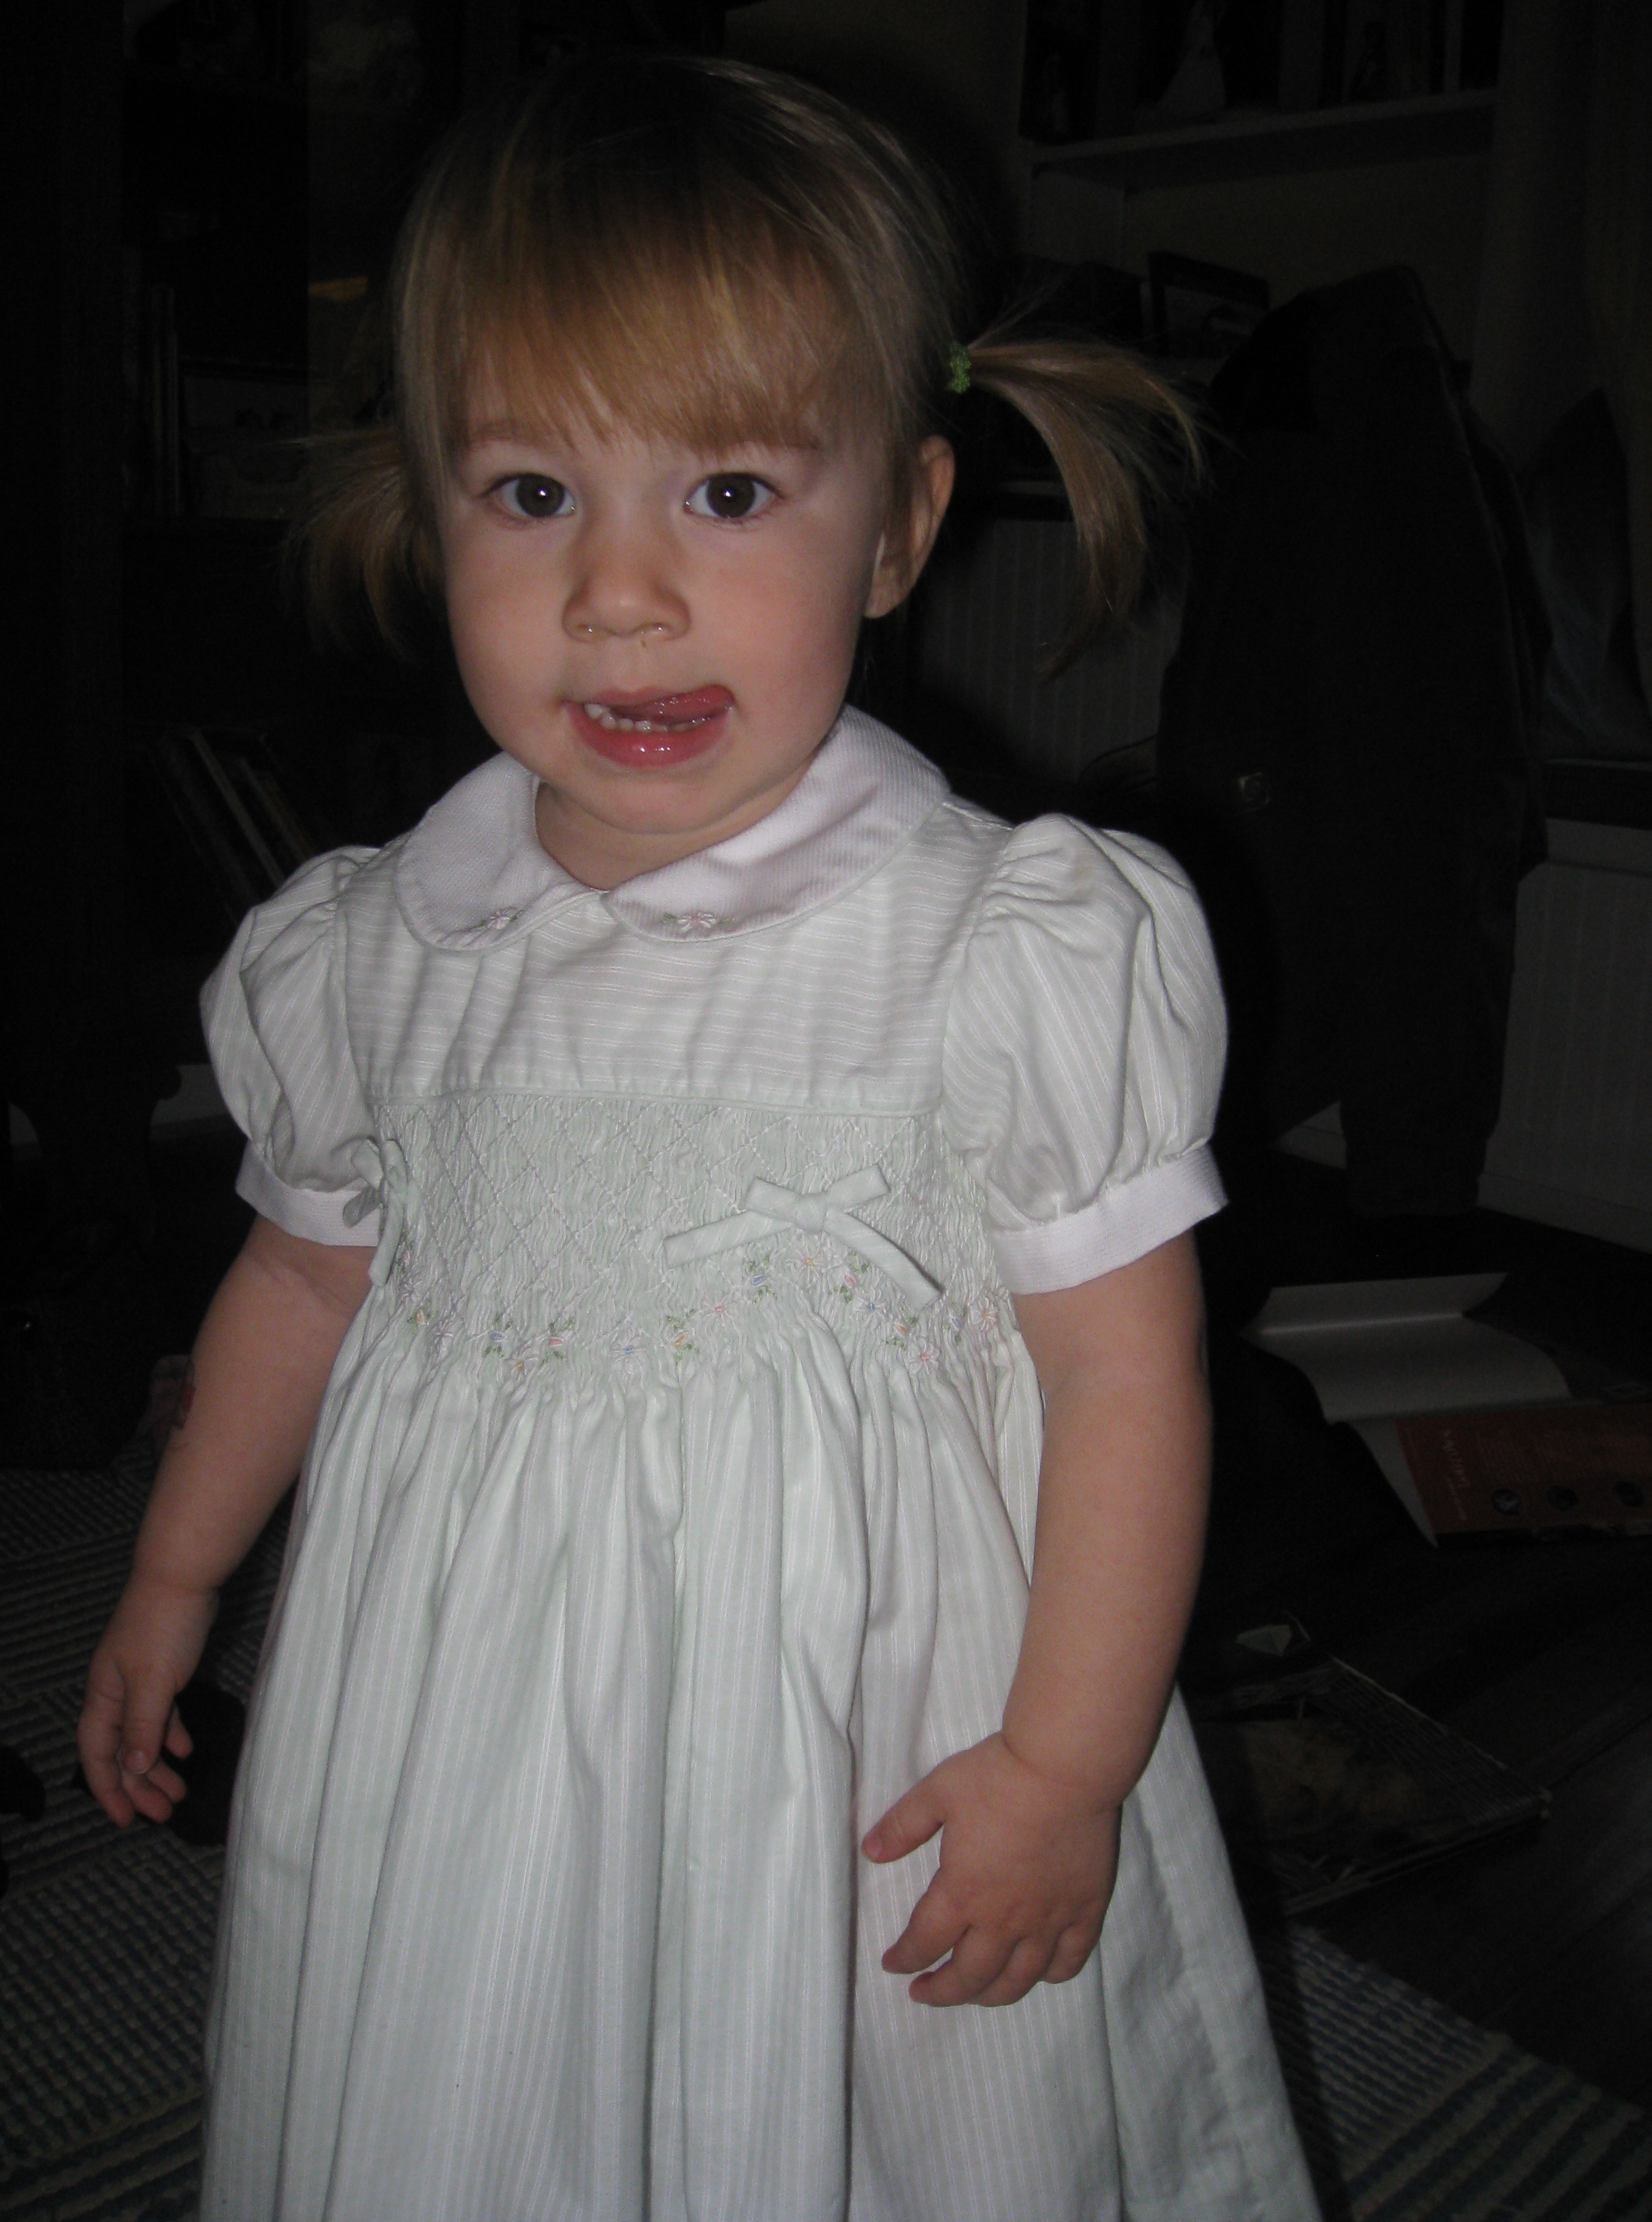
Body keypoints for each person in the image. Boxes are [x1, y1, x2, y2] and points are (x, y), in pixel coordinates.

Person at [79, 53, 1319, 2222]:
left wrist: (1065, 1764)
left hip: (854, 1724)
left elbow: (1124, 1375)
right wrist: (177, 1575)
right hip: (463, 1699)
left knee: (876, 2105)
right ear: (429, 516)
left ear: (902, 525)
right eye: (532, 492)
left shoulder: (993, 948)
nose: (621, 593)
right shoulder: (377, 951)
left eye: (728, 492)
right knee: (463, 2060)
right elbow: (294, 1273)